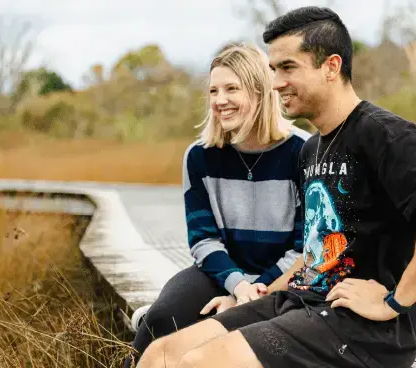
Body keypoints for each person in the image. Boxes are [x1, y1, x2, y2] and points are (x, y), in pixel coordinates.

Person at [136, 6, 416, 368]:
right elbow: (313, 255)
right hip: (299, 301)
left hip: (358, 328)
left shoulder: (384, 133)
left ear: (331, 66)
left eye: (288, 68)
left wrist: (395, 301)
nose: (276, 82)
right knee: (163, 354)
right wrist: (250, 295)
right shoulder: (312, 149)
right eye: (273, 70)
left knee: (198, 363)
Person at [124, 43, 311, 367]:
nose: (219, 100)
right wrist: (237, 285)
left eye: (231, 89)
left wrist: (251, 292)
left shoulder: (304, 152)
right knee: (161, 319)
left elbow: (304, 247)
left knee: (243, 337)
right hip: (219, 274)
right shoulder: (200, 156)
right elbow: (203, 239)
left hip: (283, 282)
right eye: (213, 90)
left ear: (259, 92)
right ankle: (151, 321)